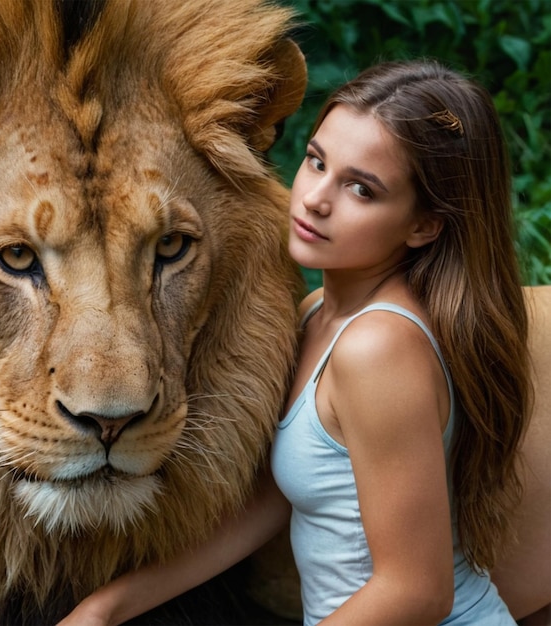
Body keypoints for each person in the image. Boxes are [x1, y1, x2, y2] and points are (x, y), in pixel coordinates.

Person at [57, 59, 533, 626]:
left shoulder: (377, 347)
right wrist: (107, 607)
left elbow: (418, 592)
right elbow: (279, 499)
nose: (314, 199)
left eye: (361, 188)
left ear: (424, 225)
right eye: (316, 162)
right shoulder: (317, 314)